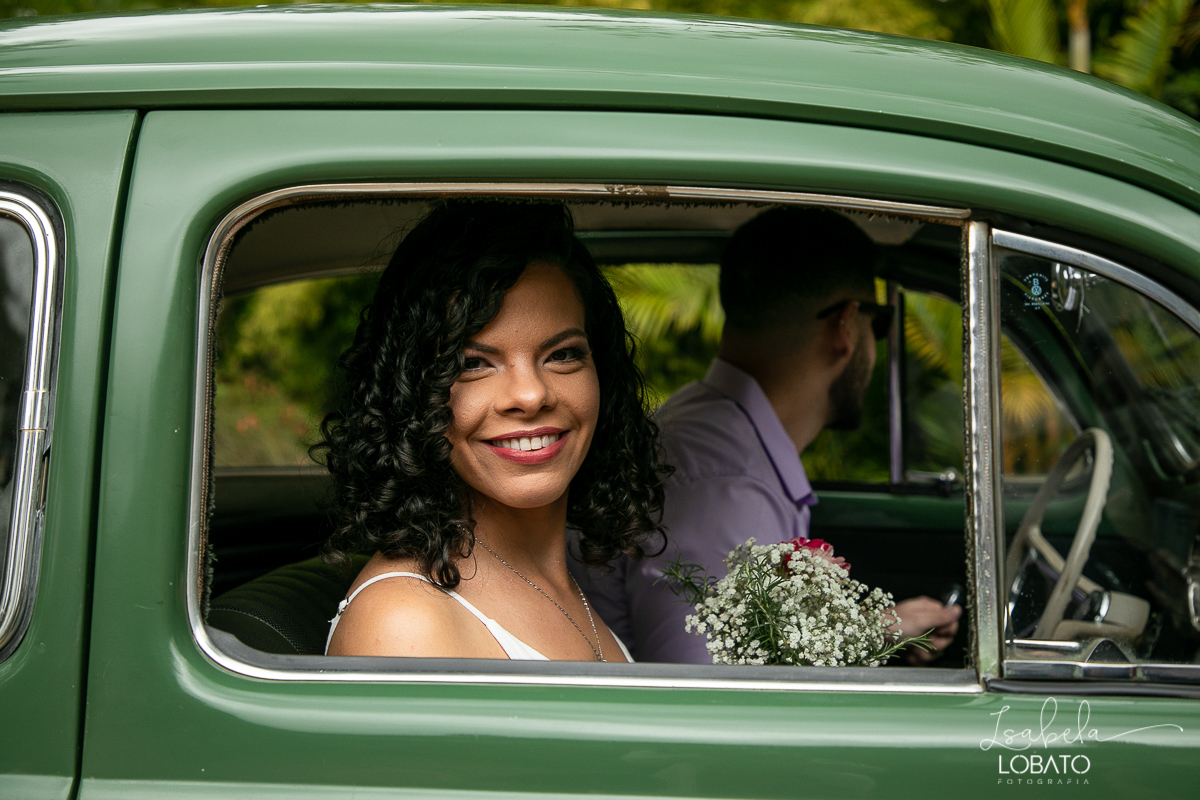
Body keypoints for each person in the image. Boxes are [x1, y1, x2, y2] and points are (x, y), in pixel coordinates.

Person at [575, 207, 961, 664]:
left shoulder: (707, 434)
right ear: (845, 326)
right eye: (877, 325)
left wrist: (872, 631)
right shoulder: (727, 488)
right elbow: (716, 687)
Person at [322, 200, 668, 661]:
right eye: (473, 363)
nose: (530, 395)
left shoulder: (557, 582)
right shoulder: (406, 621)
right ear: (410, 395)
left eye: (562, 355)